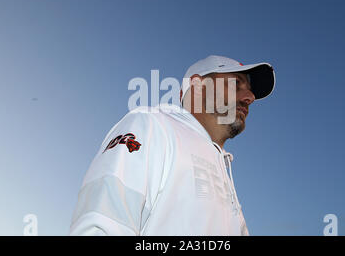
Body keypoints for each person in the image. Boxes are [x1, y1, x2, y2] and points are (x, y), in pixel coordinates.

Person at [69, 55, 275, 236]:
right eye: (236, 84)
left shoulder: (226, 173)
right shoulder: (152, 125)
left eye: (249, 91)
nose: (250, 98)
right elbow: (101, 223)